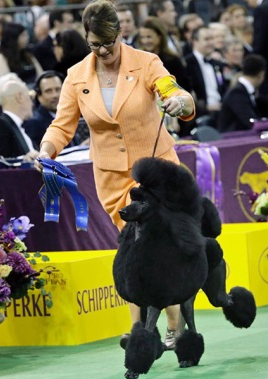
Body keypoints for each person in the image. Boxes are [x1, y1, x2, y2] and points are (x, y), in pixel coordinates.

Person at [34, 0, 195, 350]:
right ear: (86, 38)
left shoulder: (147, 62)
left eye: (109, 42)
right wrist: (46, 151)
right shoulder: (77, 76)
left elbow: (174, 93)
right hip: (112, 178)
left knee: (160, 247)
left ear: (121, 32)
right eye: (95, 44)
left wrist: (178, 102)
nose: (103, 50)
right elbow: (62, 125)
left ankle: (172, 323)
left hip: (156, 172)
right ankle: (139, 331)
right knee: (132, 251)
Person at [0, 80, 39, 161]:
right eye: (29, 98)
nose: (32, 104)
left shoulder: (19, 126)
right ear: (19, 97)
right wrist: (23, 160)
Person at [184, 25, 228, 128]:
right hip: (198, 118)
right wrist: (205, 107)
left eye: (212, 39)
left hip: (220, 115)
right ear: (195, 41)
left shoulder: (217, 64)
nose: (211, 43)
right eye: (206, 39)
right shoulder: (187, 64)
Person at [218, 54, 266, 133]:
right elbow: (250, 122)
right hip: (231, 139)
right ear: (261, 74)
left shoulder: (242, 90)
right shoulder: (237, 93)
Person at [0, 22, 43, 87]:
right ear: (13, 38)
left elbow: (40, 74)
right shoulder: (0, 58)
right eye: (23, 35)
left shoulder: (28, 54)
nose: (27, 38)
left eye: (27, 35)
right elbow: (5, 84)